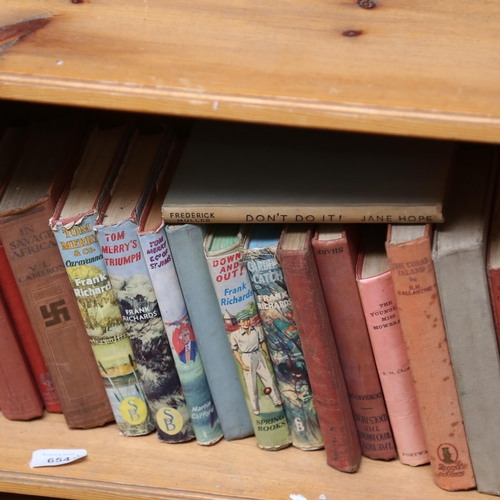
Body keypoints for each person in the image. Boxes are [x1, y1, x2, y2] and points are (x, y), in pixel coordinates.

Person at [230, 310, 281, 415]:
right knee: (251, 384)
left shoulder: (256, 329)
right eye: (243, 321)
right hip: (247, 357)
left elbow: (262, 342)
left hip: (258, 354)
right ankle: (255, 408)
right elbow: (235, 351)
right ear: (239, 323)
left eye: (247, 320)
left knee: (268, 378)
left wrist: (266, 354)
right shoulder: (235, 335)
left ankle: (277, 400)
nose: (246, 322)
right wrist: (242, 364)